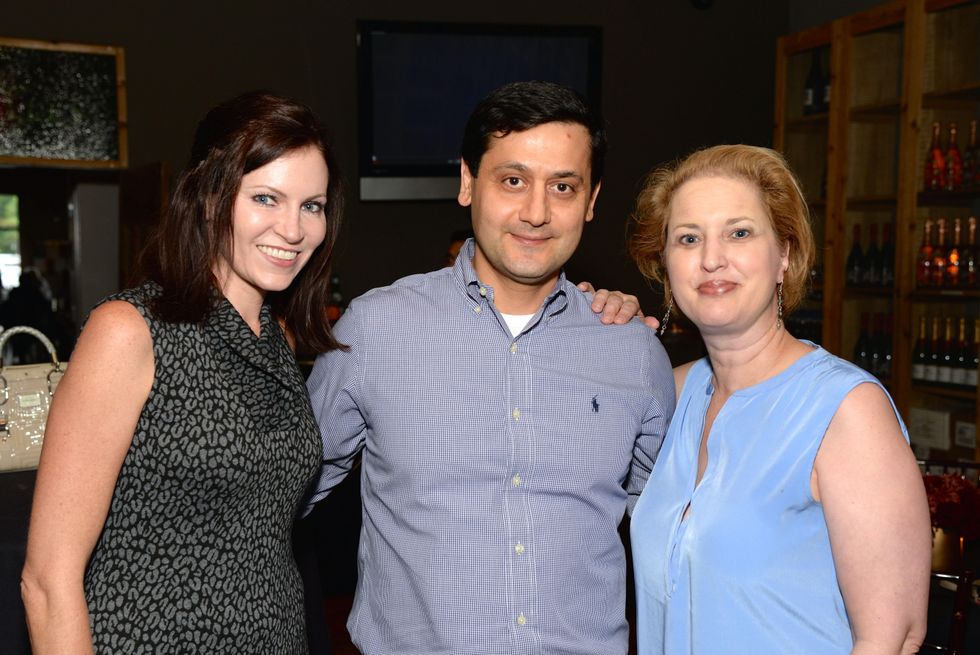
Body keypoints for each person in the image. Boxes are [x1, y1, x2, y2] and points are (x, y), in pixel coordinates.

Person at [305, 81, 675, 654]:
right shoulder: (374, 331)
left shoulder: (631, 351)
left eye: (563, 186)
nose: (536, 212)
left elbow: (675, 535)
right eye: (513, 180)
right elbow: (279, 493)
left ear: (593, 200)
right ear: (467, 182)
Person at [20, 91, 344, 654]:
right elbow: (47, 581)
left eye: (311, 206)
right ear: (210, 197)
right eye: (267, 198)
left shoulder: (277, 336)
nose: (293, 230)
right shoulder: (128, 331)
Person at [627, 144, 931, 654]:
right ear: (665, 266)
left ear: (784, 255)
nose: (711, 258)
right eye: (688, 238)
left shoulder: (846, 409)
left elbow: (891, 638)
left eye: (739, 233)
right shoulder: (670, 394)